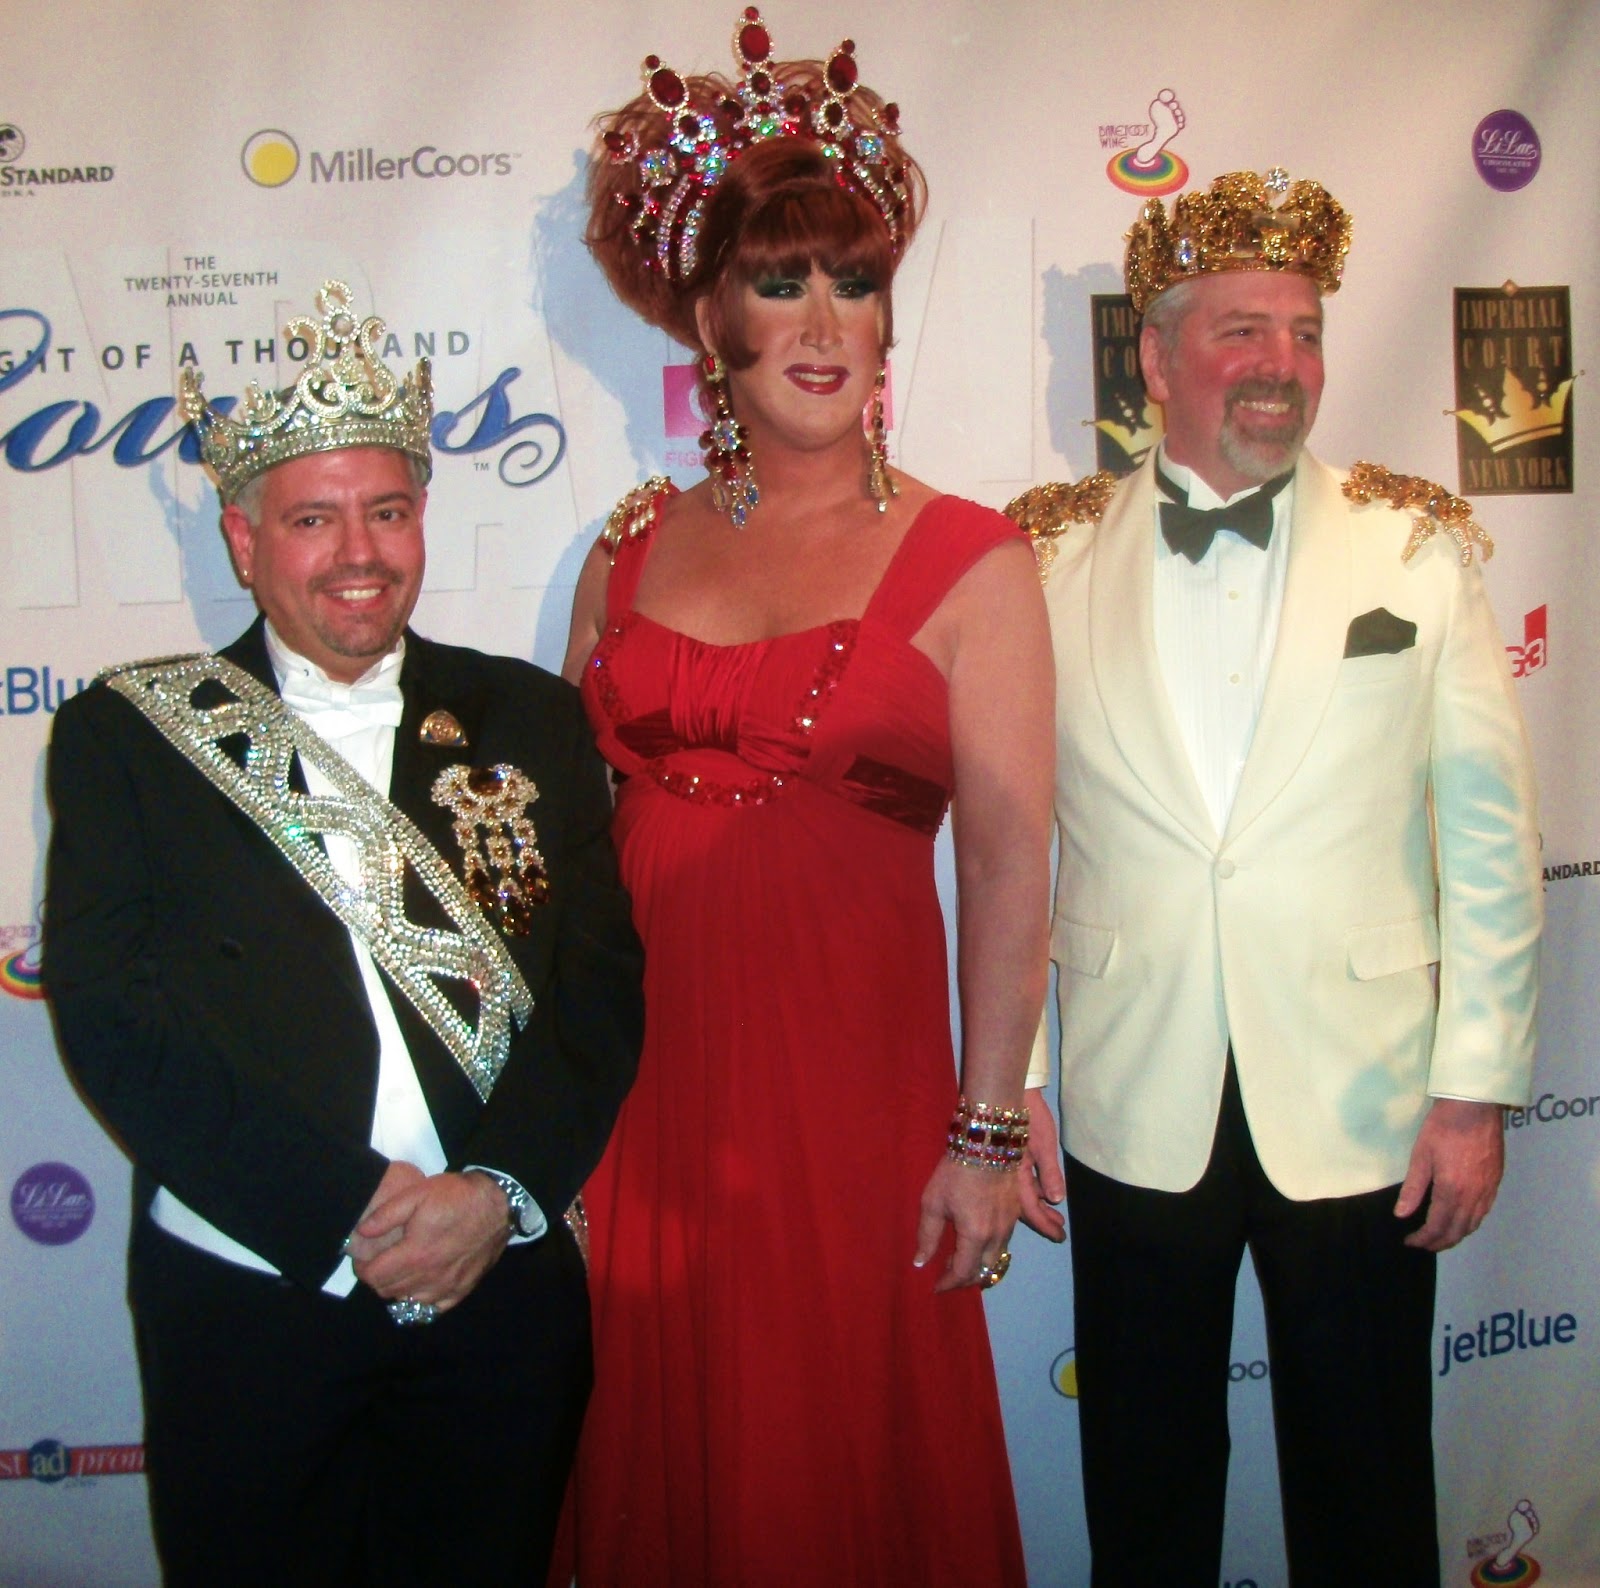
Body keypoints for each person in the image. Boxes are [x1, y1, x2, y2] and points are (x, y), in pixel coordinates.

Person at [43, 279, 643, 1587]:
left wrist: (494, 1194)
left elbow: (595, 996)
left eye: (387, 510)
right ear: (244, 539)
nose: (358, 552)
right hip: (248, 1289)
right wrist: (346, 1207)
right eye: (313, 519)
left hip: (498, 1287)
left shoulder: (530, 719)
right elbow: (112, 1021)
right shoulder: (127, 736)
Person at [556, 11, 1053, 1584]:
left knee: (832, 1457)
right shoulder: (627, 546)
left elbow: (1012, 868)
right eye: (783, 284)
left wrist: (986, 1132)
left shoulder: (975, 559)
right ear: (713, 321)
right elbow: (562, 863)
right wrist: (553, 1128)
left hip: (853, 1096)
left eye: (856, 279)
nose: (826, 320)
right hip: (648, 1102)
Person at [1008, 168, 1542, 1586]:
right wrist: (1015, 1076)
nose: (1282, 364)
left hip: (1369, 1096)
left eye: (1304, 332)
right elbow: (1004, 845)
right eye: (1243, 330)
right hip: (1134, 1090)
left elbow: (1490, 840)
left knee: (1370, 1482)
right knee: (1145, 1484)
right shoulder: (1043, 558)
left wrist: (1476, 1089)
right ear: (1157, 356)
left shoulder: (1415, 545)